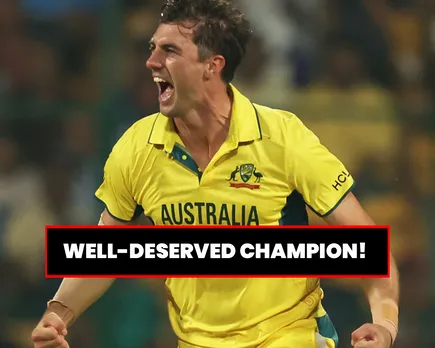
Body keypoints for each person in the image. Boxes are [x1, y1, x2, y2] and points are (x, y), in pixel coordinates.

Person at [31, 0, 399, 347]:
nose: (151, 62)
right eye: (152, 48)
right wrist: (56, 313)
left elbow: (369, 247)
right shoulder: (136, 148)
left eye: (170, 50)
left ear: (213, 65)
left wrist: (384, 324)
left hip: (289, 336)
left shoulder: (283, 138)